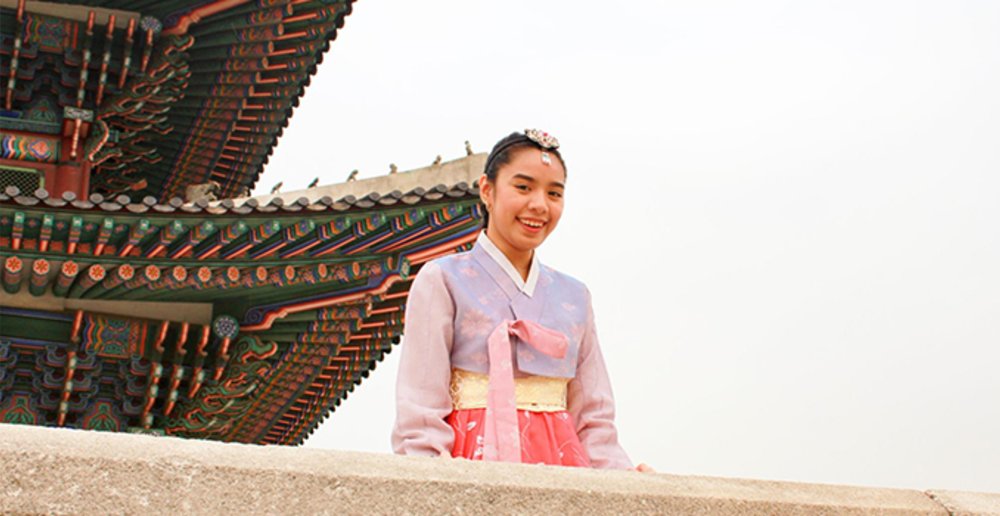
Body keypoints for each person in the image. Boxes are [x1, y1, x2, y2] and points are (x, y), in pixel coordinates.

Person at [392, 129, 639, 470]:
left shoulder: (575, 296)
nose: (539, 204)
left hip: (564, 469)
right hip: (471, 466)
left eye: (554, 193)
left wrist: (621, 476)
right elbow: (420, 413)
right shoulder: (443, 281)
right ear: (487, 190)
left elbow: (594, 419)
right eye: (523, 187)